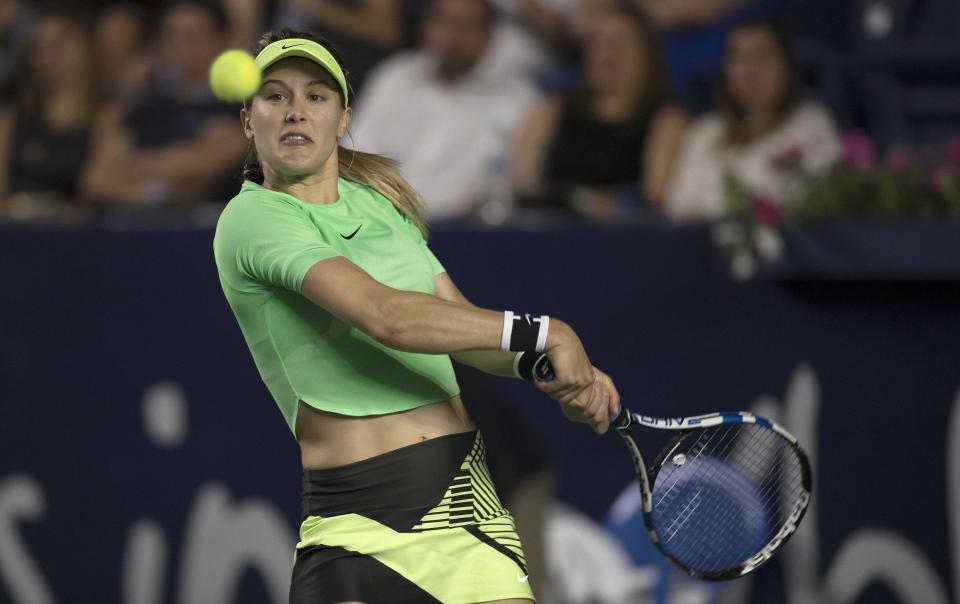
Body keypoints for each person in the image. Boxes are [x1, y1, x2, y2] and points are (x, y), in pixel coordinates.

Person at [213, 28, 620, 603]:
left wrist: (544, 367)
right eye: (275, 96)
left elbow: (460, 329)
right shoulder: (251, 219)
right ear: (248, 121)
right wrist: (547, 333)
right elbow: (388, 318)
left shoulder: (380, 207)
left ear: (344, 117)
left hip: (469, 518)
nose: (296, 111)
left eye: (317, 96)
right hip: (355, 530)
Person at [349, 0, 537, 222]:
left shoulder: (515, 98)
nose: (453, 35)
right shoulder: (396, 75)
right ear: (427, 26)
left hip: (461, 232)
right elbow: (356, 152)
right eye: (444, 22)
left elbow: (493, 186)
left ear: (489, 34)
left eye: (467, 25)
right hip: (377, 221)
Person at [511, 5, 688, 222]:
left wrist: (582, 200)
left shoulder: (666, 117)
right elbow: (518, 178)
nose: (607, 53)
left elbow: (654, 198)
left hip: (623, 241)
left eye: (620, 42)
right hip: (550, 231)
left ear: (647, 54)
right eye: (597, 42)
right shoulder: (554, 107)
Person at [664, 18, 841, 221]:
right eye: (738, 57)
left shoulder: (812, 123)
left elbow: (810, 206)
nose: (749, 68)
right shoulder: (705, 131)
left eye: (762, 56)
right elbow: (679, 210)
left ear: (787, 66)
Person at [80, 0, 246, 208]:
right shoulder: (144, 104)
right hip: (137, 229)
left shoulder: (239, 104)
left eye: (193, 36)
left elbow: (206, 163)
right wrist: (159, 194)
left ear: (221, 39)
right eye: (173, 36)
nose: (183, 46)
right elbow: (97, 178)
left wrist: (133, 166)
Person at [0, 7, 99, 220]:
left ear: (84, 48)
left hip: (82, 237)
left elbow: (102, 188)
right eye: (39, 48)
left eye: (58, 44)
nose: (48, 56)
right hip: (18, 231)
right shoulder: (12, 120)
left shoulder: (106, 119)